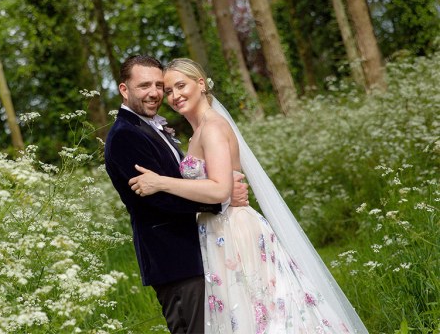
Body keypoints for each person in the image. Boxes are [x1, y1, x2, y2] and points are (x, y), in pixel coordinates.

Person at [128, 58, 369, 333]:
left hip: (233, 230)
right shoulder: (196, 133)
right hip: (215, 230)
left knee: (261, 313)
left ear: (201, 84)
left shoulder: (214, 127)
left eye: (180, 86)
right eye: (169, 91)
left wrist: (161, 183)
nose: (174, 96)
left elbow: (220, 189)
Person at [104, 55, 249, 334]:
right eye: (144, 85)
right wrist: (223, 198)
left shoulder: (149, 127)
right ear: (124, 90)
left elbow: (174, 181)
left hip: (197, 251)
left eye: (160, 85)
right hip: (173, 258)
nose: (155, 93)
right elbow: (158, 199)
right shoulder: (125, 135)